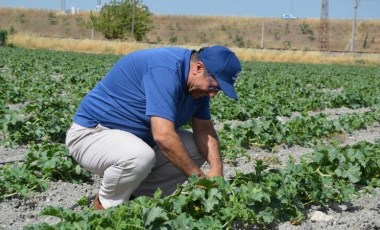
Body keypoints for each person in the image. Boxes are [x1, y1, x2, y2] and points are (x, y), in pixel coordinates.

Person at [65, 45, 242, 209]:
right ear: (198, 68)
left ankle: (134, 199)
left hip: (138, 140)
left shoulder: (198, 89)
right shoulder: (165, 71)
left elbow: (204, 130)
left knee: (195, 148)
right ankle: (105, 207)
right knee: (139, 156)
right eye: (213, 87)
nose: (212, 95)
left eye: (217, 90)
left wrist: (217, 172)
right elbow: (163, 136)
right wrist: (199, 180)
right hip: (92, 134)